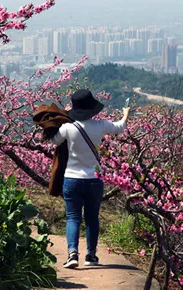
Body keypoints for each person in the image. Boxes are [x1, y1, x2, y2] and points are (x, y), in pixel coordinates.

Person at [51, 89, 130, 269]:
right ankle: (91, 255)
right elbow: (120, 127)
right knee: (92, 217)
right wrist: (125, 114)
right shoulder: (101, 125)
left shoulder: (67, 128)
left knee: (73, 217)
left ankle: (72, 254)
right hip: (94, 179)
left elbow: (54, 141)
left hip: (71, 178)